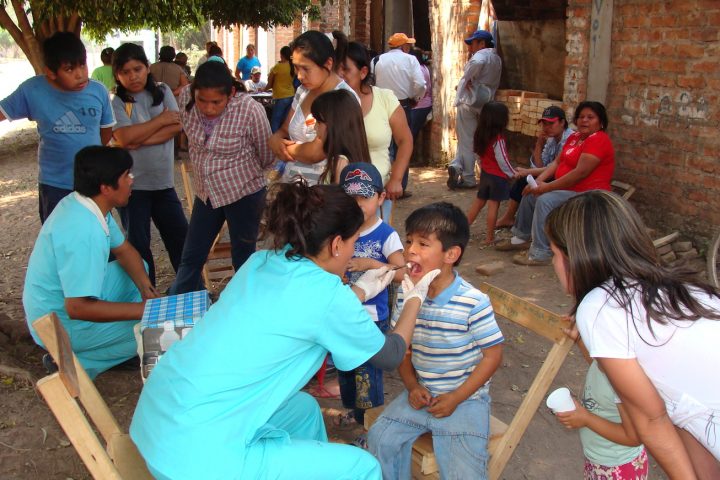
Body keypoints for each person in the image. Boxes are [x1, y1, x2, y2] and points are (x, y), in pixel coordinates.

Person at [130, 180, 441, 479]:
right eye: (352, 242)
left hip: (160, 421)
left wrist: (359, 291)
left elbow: (307, 309)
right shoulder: (328, 296)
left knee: (304, 409)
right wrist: (414, 297)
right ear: (336, 244)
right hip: (196, 459)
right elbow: (390, 354)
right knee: (363, 468)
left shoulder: (261, 262)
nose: (353, 252)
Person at [545, 190, 720, 478]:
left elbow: (651, 419)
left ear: (574, 257)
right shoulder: (685, 292)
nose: (552, 264)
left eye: (553, 253)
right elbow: (688, 415)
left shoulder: (601, 307)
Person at [368, 202, 504, 479]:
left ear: (451, 254)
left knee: (463, 471)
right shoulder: (407, 293)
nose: (410, 250)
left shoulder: (473, 301)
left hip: (466, 399)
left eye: (423, 243)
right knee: (380, 439)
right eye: (408, 241)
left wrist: (456, 397)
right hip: (423, 393)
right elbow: (402, 349)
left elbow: (493, 356)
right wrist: (412, 385)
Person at [22, 146, 159, 379]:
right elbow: (77, 307)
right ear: (106, 188)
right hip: (55, 323)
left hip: (53, 304)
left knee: (140, 269)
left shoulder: (86, 204)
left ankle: (103, 343)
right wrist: (145, 310)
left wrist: (148, 291)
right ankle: (77, 362)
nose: (131, 180)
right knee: (152, 330)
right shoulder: (84, 231)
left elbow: (124, 251)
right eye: (126, 175)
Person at [168, 61, 273, 294]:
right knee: (192, 255)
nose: (208, 108)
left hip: (244, 192)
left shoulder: (249, 110)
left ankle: (242, 305)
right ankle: (182, 302)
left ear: (231, 93)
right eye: (201, 100)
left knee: (243, 257)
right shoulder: (185, 97)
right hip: (207, 192)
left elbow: (267, 154)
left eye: (216, 102)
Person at [0, 32, 115, 222]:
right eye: (69, 69)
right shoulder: (32, 90)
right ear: (51, 72)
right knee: (58, 236)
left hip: (93, 182)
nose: (80, 74)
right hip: (54, 185)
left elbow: (106, 132)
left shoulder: (98, 91)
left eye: (82, 65)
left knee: (97, 234)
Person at [496, 101, 615, 266]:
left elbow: (580, 173)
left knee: (545, 200)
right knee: (530, 193)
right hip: (569, 189)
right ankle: (521, 238)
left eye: (590, 117)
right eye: (581, 117)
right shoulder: (575, 137)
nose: (584, 120)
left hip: (588, 193)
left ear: (601, 122)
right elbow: (556, 163)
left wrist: (547, 187)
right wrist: (538, 182)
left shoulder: (598, 140)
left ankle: (540, 253)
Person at [111, 43, 188, 286]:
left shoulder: (162, 91)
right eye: (125, 72)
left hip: (163, 184)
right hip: (132, 188)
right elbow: (123, 137)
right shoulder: (117, 101)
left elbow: (176, 126)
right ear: (117, 75)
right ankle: (146, 295)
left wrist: (138, 138)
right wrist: (160, 121)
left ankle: (191, 290)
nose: (133, 76)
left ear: (147, 67)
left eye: (137, 69)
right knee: (138, 247)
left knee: (181, 240)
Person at [336, 163, 405, 432]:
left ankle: (370, 425)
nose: (357, 204)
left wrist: (371, 264)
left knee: (367, 375)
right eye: (350, 198)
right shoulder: (340, 231)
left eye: (364, 197)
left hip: (371, 318)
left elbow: (402, 273)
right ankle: (356, 413)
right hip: (343, 313)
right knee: (346, 370)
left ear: (381, 197)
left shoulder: (386, 234)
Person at [553, 327, 648, 479]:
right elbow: (595, 364)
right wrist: (578, 339)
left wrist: (586, 419)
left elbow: (633, 438)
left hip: (619, 468)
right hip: (597, 459)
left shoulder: (623, 385)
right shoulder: (604, 362)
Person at [268, 30, 357, 186]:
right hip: (293, 186)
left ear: (328, 64)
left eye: (306, 69)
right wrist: (276, 139)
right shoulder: (302, 91)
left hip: (323, 190)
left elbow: (317, 152)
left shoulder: (344, 98)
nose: (299, 76)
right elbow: (285, 129)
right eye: (296, 68)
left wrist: (282, 148)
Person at [341, 41, 412, 216]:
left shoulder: (385, 99)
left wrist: (396, 179)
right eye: (336, 69)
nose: (340, 75)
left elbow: (405, 140)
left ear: (363, 72)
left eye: (345, 69)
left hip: (376, 193)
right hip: (339, 195)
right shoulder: (331, 103)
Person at [495, 105, 574, 228]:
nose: (546, 128)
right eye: (544, 124)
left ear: (562, 122)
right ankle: (511, 218)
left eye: (551, 123)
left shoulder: (569, 139)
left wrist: (528, 171)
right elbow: (540, 165)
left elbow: (555, 167)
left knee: (525, 180)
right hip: (552, 174)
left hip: (564, 178)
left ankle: (511, 219)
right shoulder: (552, 139)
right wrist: (539, 144)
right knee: (525, 180)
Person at [447, 30, 502, 189]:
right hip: (487, 101)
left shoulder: (480, 56)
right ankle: (457, 165)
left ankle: (468, 177)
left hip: (470, 101)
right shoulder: (496, 58)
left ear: (482, 43)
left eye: (472, 43)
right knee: (479, 139)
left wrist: (468, 77)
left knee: (466, 140)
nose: (470, 48)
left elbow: (477, 63)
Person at [372, 33, 426, 193]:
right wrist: (416, 97)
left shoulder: (376, 60)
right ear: (404, 46)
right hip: (402, 105)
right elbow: (420, 84)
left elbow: (371, 82)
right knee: (403, 144)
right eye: (408, 45)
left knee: (384, 146)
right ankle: (400, 185)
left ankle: (382, 183)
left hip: (380, 106)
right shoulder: (410, 60)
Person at [466, 101, 516, 245]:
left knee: (478, 203)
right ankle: (489, 237)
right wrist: (512, 173)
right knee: (493, 206)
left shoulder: (480, 134)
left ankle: (463, 229)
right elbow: (503, 160)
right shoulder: (498, 139)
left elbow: (477, 153)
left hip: (485, 174)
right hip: (497, 177)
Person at [310, 89, 372, 184]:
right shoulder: (354, 158)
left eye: (318, 122)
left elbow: (338, 193)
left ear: (335, 125)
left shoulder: (341, 163)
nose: (315, 127)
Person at [266, 45, 296, 132]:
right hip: (291, 95)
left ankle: (274, 137)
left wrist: (263, 89)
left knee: (275, 120)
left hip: (281, 96)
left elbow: (270, 83)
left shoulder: (278, 67)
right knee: (286, 121)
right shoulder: (292, 66)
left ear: (281, 55)